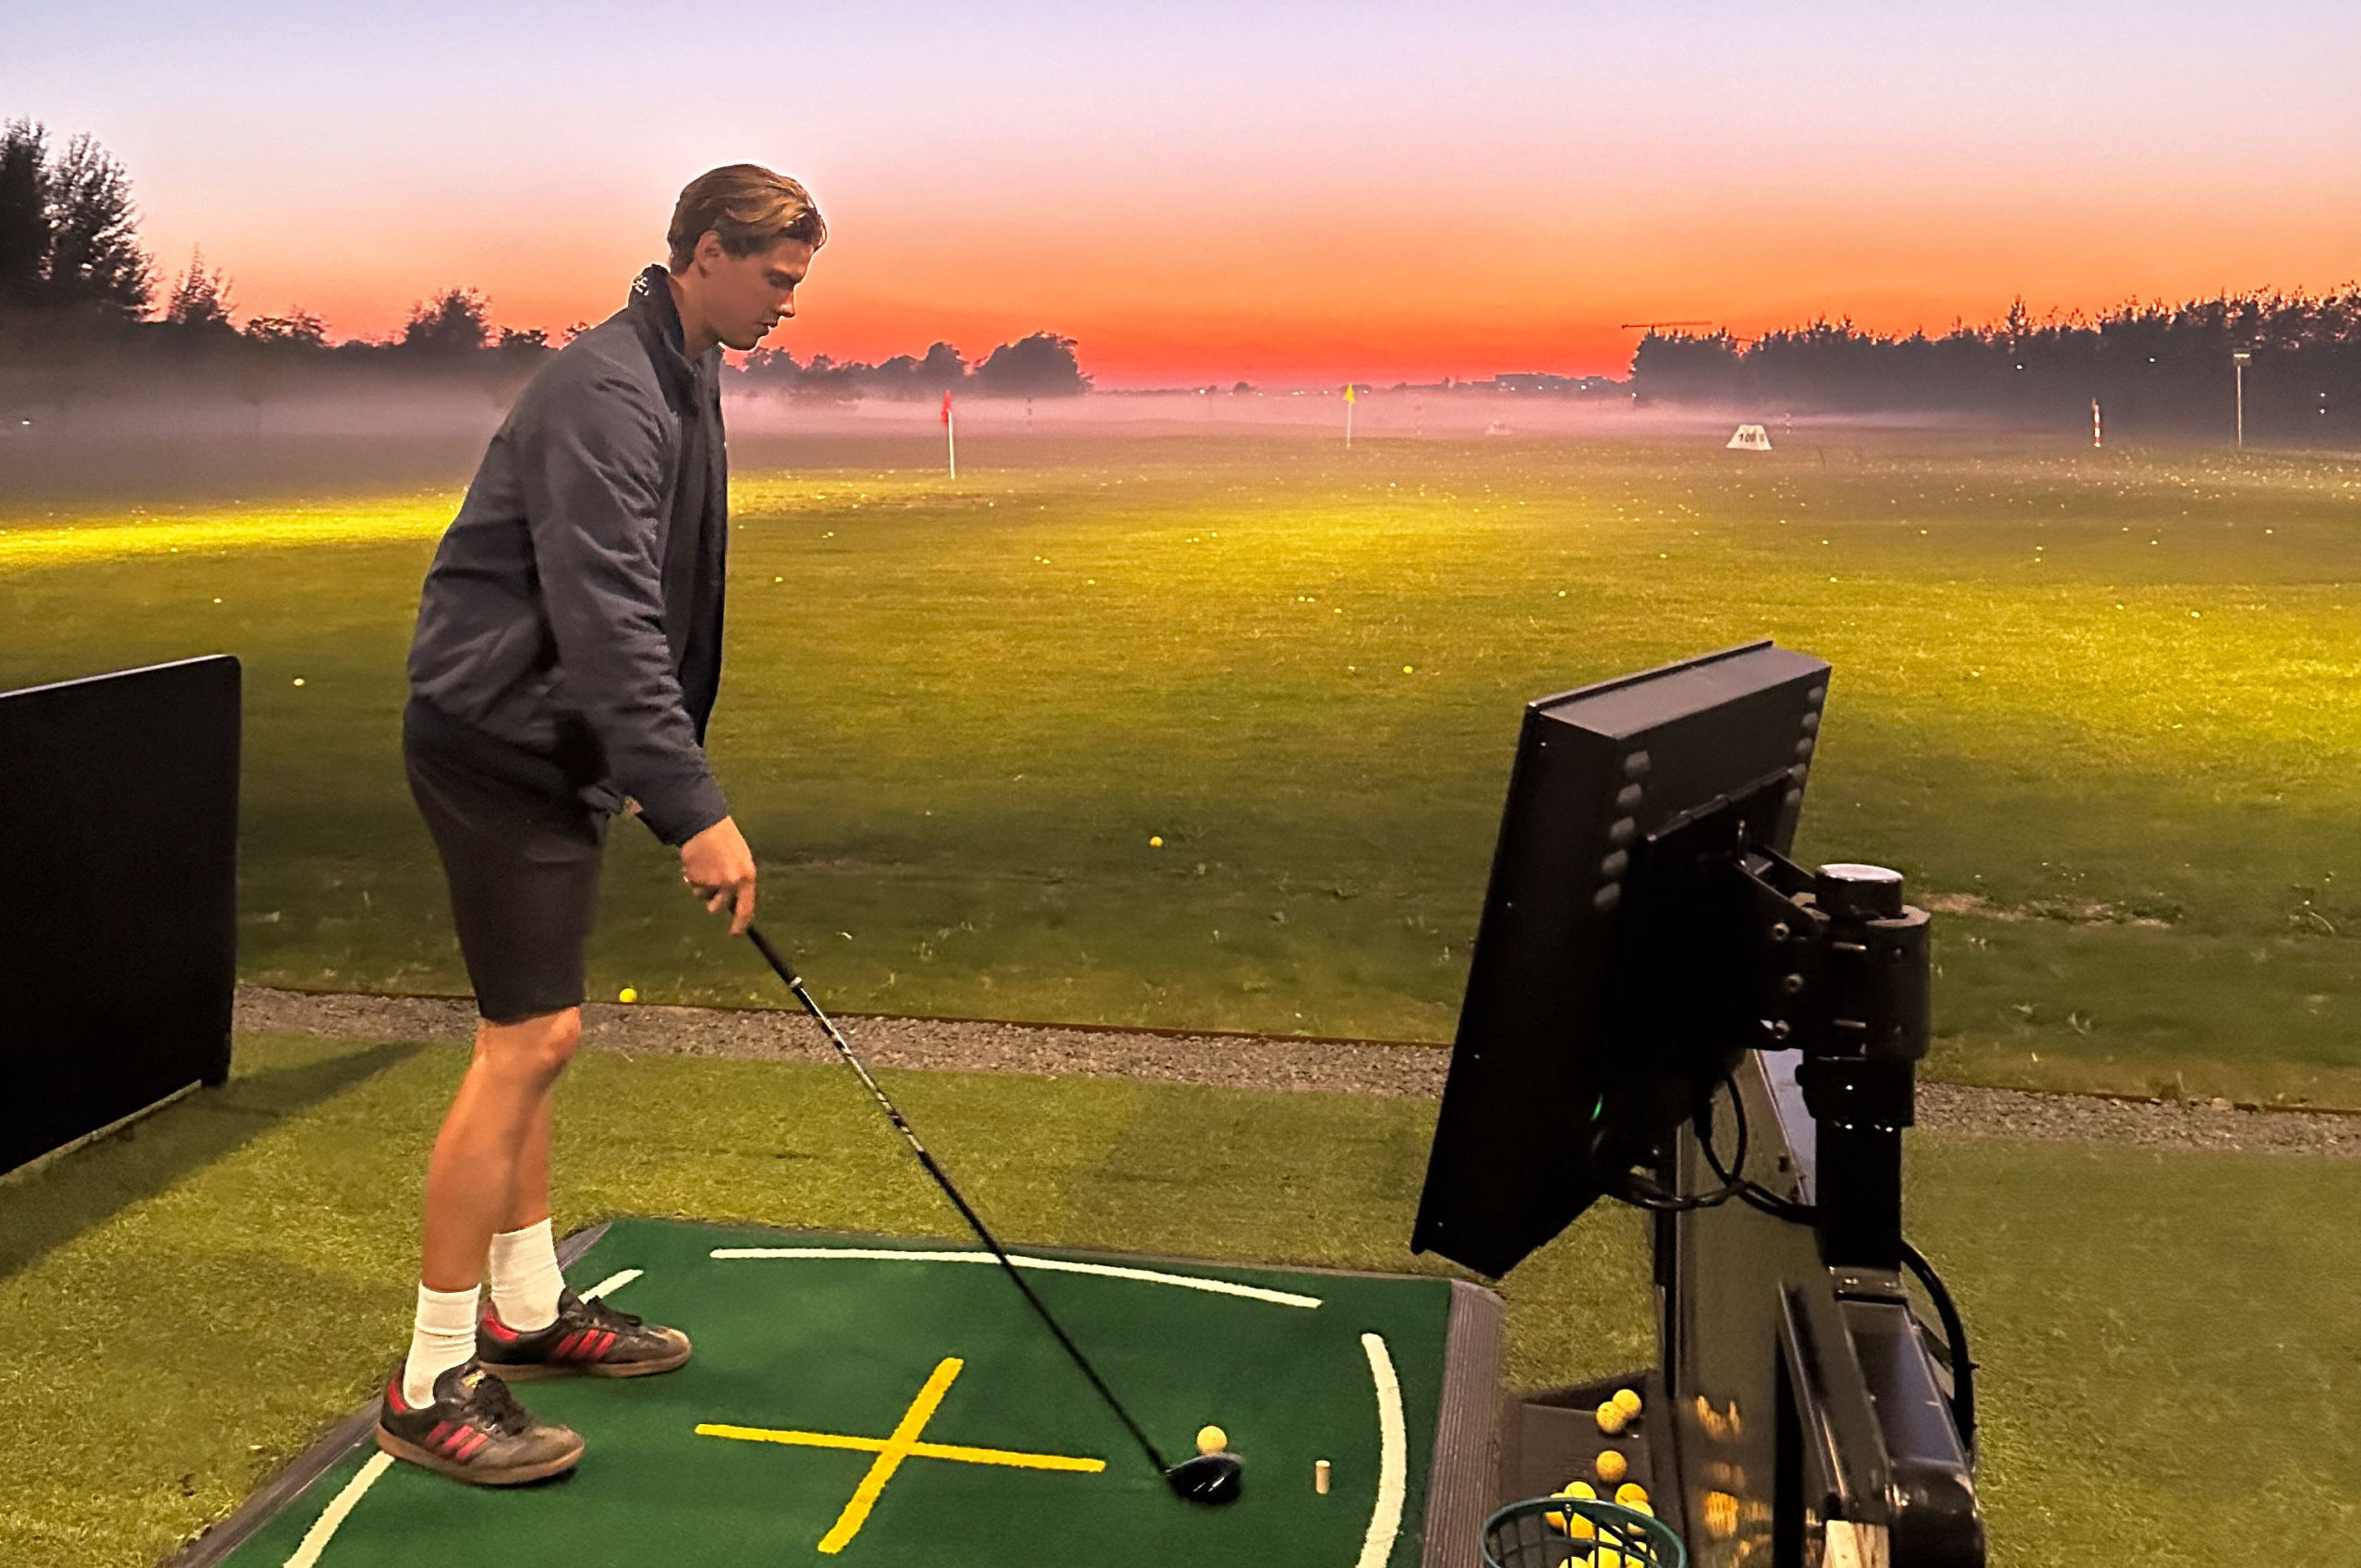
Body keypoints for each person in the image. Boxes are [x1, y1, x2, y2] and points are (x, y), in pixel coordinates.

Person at [379, 164, 823, 1484]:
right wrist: (693, 808)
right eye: (776, 279)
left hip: (556, 739)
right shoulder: (610, 392)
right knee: (529, 1041)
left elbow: (658, 604)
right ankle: (427, 1381)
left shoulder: (682, 366)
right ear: (704, 252)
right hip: (496, 740)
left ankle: (524, 1308)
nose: (787, 305)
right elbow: (608, 614)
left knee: (537, 1033)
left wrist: (642, 765)